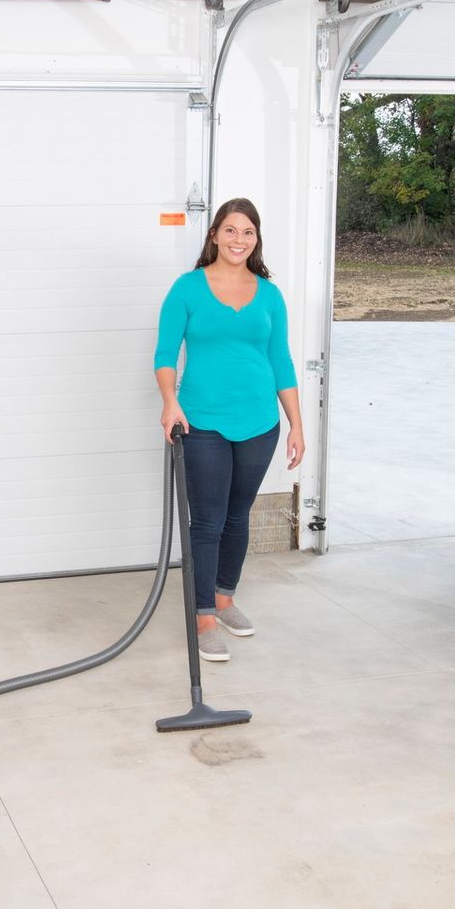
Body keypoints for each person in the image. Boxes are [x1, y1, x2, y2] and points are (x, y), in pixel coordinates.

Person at [153, 198, 303, 662]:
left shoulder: (270, 294)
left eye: (249, 232)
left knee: (239, 517)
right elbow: (164, 355)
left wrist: (297, 424)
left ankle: (224, 599)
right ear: (215, 234)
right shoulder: (188, 289)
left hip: (260, 423)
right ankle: (201, 618)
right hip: (202, 422)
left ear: (256, 240)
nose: (239, 240)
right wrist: (170, 403)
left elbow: (280, 361)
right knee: (209, 521)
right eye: (231, 230)